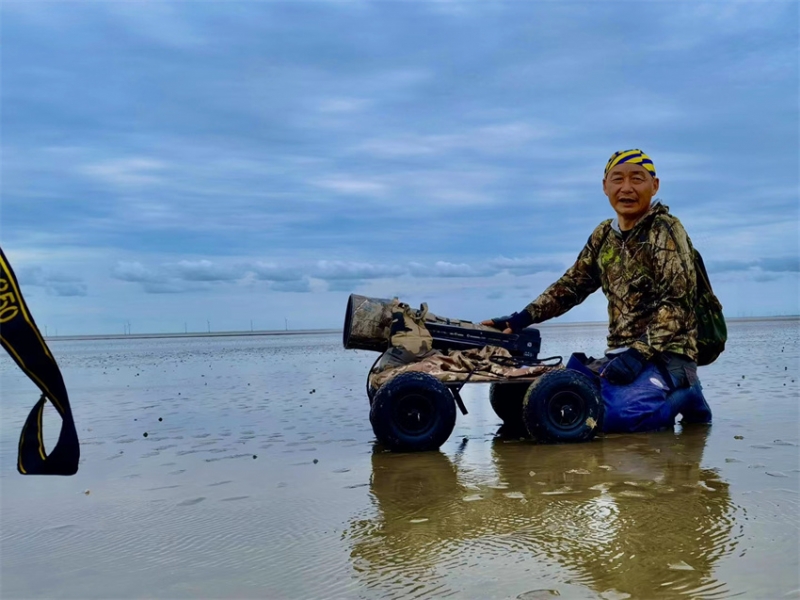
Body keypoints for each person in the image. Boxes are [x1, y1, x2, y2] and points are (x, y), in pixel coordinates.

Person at [482, 149, 712, 432]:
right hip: (618, 355)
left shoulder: (665, 229)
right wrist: (520, 319)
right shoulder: (604, 235)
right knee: (558, 400)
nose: (626, 188)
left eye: (637, 179)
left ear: (654, 185)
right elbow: (571, 285)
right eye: (618, 179)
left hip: (667, 355)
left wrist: (638, 355)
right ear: (605, 186)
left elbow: (677, 305)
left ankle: (688, 395)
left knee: (614, 420)